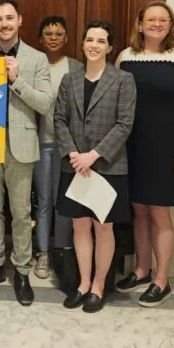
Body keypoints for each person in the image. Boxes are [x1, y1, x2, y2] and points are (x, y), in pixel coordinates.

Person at [114, 1, 174, 307]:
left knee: (159, 212)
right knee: (138, 209)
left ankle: (161, 279)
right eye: (150, 19)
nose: (156, 24)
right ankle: (141, 270)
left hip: (166, 147)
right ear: (140, 24)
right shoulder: (125, 56)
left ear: (170, 25)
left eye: (163, 20)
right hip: (131, 145)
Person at [0, 0, 52, 306]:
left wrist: (16, 80)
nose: (4, 23)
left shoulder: (37, 59)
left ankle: (22, 271)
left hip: (21, 146)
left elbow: (45, 103)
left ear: (20, 20)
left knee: (21, 212)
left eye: (9, 18)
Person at [55, 20, 136, 313]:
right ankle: (83, 283)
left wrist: (94, 155)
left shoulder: (123, 80)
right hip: (75, 165)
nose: (94, 45)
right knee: (79, 225)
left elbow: (124, 124)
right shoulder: (70, 79)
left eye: (101, 41)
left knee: (103, 227)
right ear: (83, 43)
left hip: (108, 166)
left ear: (110, 47)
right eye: (90, 39)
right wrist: (74, 154)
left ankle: (99, 286)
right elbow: (59, 119)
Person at [32, 16, 82, 281]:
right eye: (48, 34)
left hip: (67, 147)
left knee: (63, 202)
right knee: (43, 201)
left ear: (66, 38)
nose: (53, 38)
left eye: (58, 33)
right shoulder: (33, 65)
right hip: (39, 144)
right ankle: (43, 253)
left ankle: (62, 252)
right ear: (40, 39)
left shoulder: (76, 68)